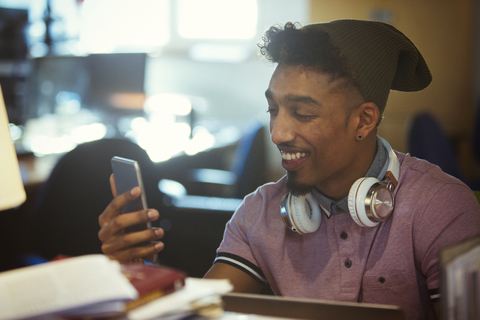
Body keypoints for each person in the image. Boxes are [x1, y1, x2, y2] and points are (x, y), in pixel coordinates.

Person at [98, 20, 480, 320]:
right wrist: (133, 271)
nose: (278, 133)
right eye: (273, 110)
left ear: (364, 120)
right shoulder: (259, 212)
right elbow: (199, 312)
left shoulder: (441, 208)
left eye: (303, 113)